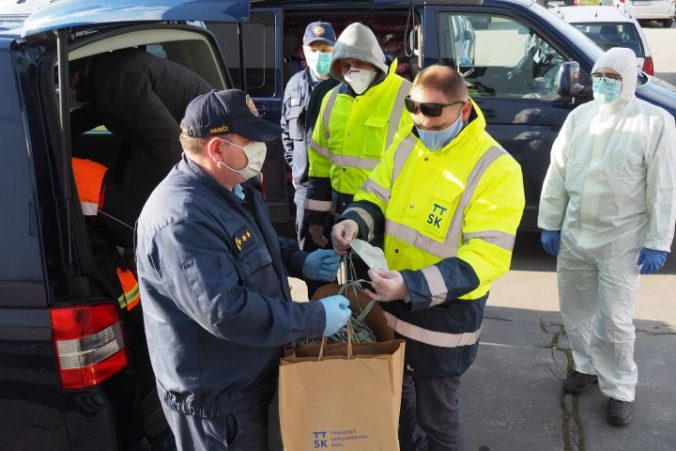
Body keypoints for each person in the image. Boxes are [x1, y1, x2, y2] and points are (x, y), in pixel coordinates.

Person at [135, 89, 351, 451]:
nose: (260, 151)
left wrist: (298, 261)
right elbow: (226, 312)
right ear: (216, 149)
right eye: (249, 141)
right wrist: (314, 317)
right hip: (218, 403)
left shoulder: (230, 186)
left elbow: (252, 244)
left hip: (250, 376)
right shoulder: (182, 220)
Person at [332, 65, 525, 450]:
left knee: (437, 414)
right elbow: (376, 194)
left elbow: (487, 255)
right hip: (394, 304)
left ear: (463, 110)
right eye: (413, 108)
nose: (422, 122)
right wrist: (354, 222)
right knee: (398, 400)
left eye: (434, 114)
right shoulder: (409, 140)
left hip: (443, 317)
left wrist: (413, 285)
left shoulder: (496, 168)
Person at [538, 47, 676, 427]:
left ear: (629, 80)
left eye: (612, 78)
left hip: (622, 238)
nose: (603, 84)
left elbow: (662, 187)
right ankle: (585, 366)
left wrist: (657, 240)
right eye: (598, 76)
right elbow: (558, 172)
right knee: (577, 310)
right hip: (577, 233)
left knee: (614, 320)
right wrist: (550, 222)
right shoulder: (580, 118)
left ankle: (619, 389)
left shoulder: (654, 122)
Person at [305, 22, 413, 248]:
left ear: (375, 63)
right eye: (346, 64)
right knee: (350, 282)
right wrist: (315, 220)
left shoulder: (407, 97)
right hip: (341, 216)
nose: (353, 70)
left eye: (360, 63)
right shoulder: (331, 99)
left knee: (380, 282)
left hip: (386, 219)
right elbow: (319, 164)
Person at [70, 48, 213, 204]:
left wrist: (184, 196)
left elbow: (167, 139)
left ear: (74, 74)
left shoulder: (116, 79)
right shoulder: (107, 75)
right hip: (199, 149)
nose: (69, 89)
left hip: (207, 150)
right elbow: (92, 114)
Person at [280, 21, 338, 251]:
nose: (319, 56)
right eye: (313, 50)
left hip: (336, 186)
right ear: (304, 51)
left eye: (325, 50)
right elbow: (286, 131)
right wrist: (296, 169)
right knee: (308, 252)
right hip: (305, 187)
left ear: (335, 51)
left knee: (341, 252)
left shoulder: (344, 87)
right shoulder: (294, 85)